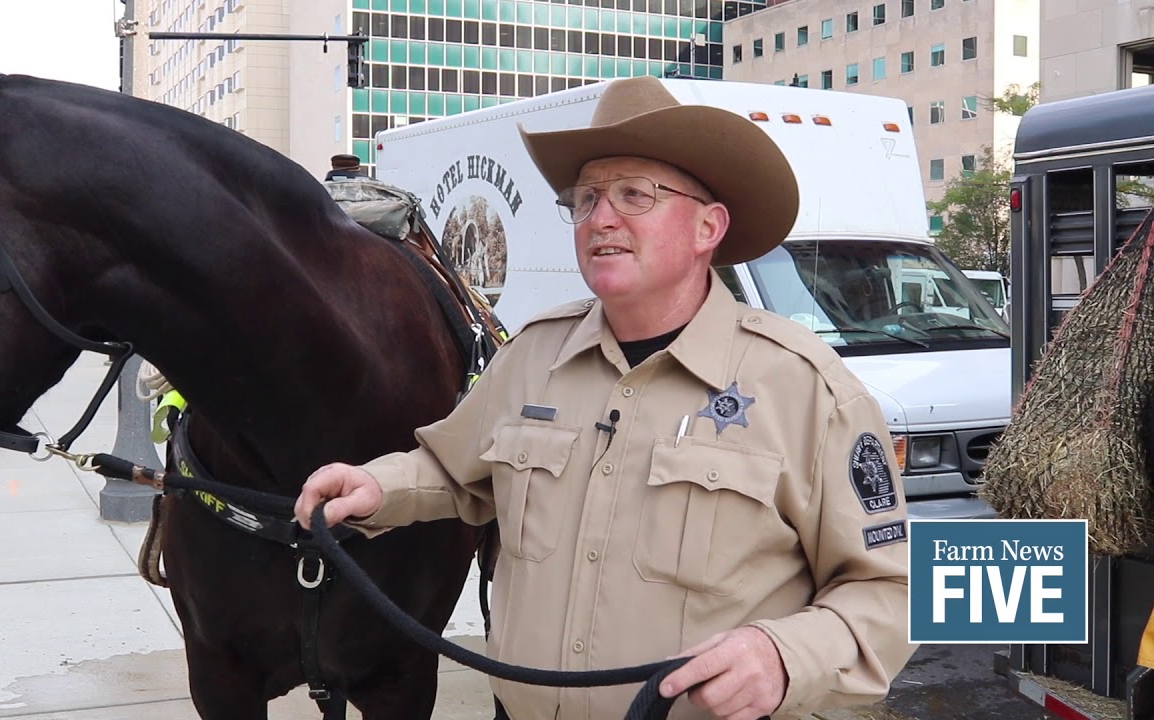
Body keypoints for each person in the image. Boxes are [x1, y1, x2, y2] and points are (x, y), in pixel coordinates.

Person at [296, 76, 915, 720]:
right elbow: (457, 472)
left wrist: (785, 655)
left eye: (634, 195)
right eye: (586, 198)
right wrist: (377, 486)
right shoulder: (533, 355)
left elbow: (889, 590)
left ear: (709, 226)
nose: (601, 218)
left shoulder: (807, 388)